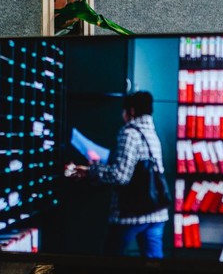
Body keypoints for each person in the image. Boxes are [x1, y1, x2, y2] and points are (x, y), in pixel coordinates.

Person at [65, 91, 170, 258]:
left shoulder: (130, 133)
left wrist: (91, 171)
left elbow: (121, 175)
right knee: (154, 263)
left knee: (111, 262)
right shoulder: (151, 133)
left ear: (131, 111)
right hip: (156, 211)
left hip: (132, 213)